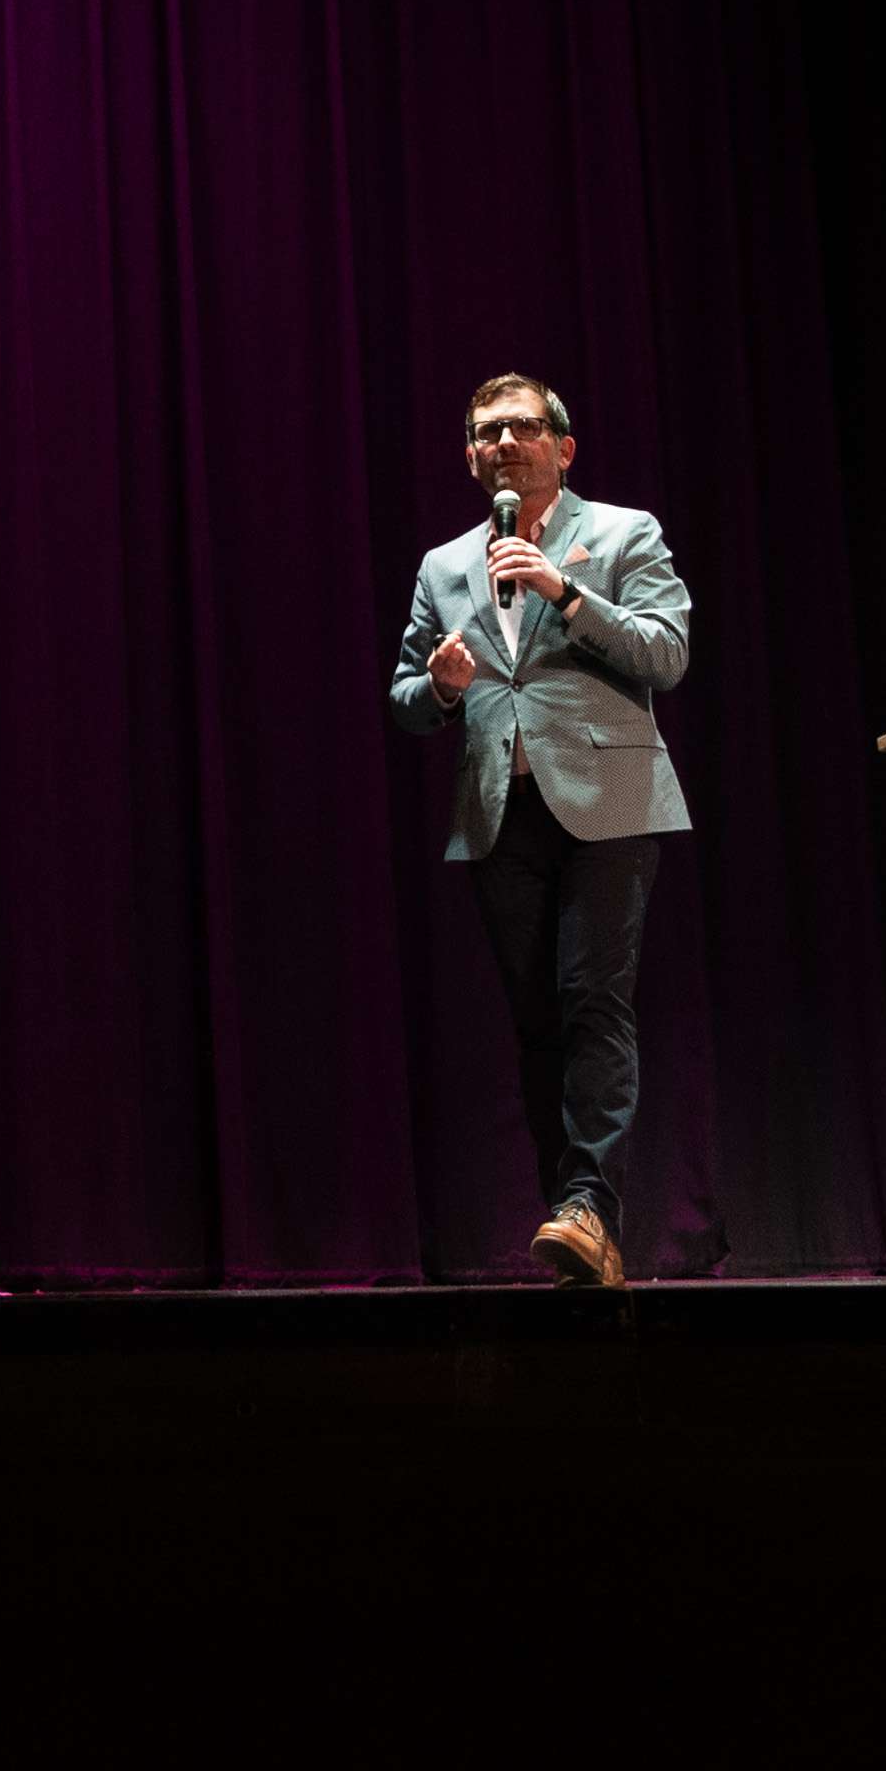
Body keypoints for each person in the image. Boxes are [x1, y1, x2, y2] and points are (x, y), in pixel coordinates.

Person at [387, 373, 693, 1286]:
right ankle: (568, 1218)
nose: (501, 442)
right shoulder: (444, 565)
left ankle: (591, 1206)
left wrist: (565, 590)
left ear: (563, 447)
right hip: (498, 813)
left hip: (608, 800)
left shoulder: (621, 533)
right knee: (537, 1021)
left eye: (520, 426)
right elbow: (405, 696)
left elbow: (666, 653)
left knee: (594, 1000)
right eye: (484, 431)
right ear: (470, 455)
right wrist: (439, 684)